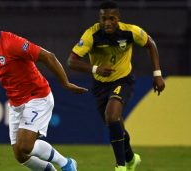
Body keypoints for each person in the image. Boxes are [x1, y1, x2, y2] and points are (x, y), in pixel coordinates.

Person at [0, 7, 88, 171]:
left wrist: (66, 83)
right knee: (20, 155)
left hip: (38, 96)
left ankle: (66, 164)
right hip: (16, 103)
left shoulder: (12, 42)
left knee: (25, 145)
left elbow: (48, 57)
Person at [67, 1, 165, 171]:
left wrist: (157, 74)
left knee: (112, 116)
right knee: (115, 124)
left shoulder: (130, 31)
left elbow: (151, 44)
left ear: (118, 18)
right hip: (100, 85)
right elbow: (71, 61)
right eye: (104, 19)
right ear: (100, 19)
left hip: (123, 81)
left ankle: (120, 166)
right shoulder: (92, 35)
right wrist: (95, 68)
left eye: (111, 18)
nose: (107, 22)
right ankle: (131, 159)